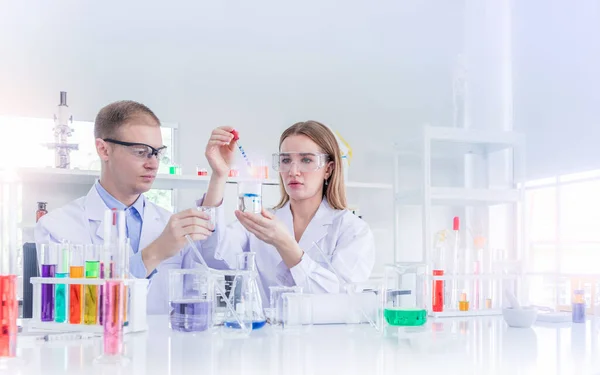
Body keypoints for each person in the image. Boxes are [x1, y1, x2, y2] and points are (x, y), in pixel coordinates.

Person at [35, 100, 219, 314]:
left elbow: (200, 293)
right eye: (141, 152)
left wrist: (219, 176)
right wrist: (154, 254)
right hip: (95, 348)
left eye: (157, 152)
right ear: (104, 150)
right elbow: (68, 311)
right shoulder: (57, 228)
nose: (153, 163)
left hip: (161, 347)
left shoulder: (170, 224)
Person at [200, 121, 375, 302]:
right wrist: (219, 175)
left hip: (324, 332)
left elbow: (340, 302)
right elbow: (213, 255)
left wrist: (285, 244)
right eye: (285, 160)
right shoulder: (261, 221)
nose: (293, 171)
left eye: (306, 160)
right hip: (266, 330)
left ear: (328, 169)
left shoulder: (353, 230)